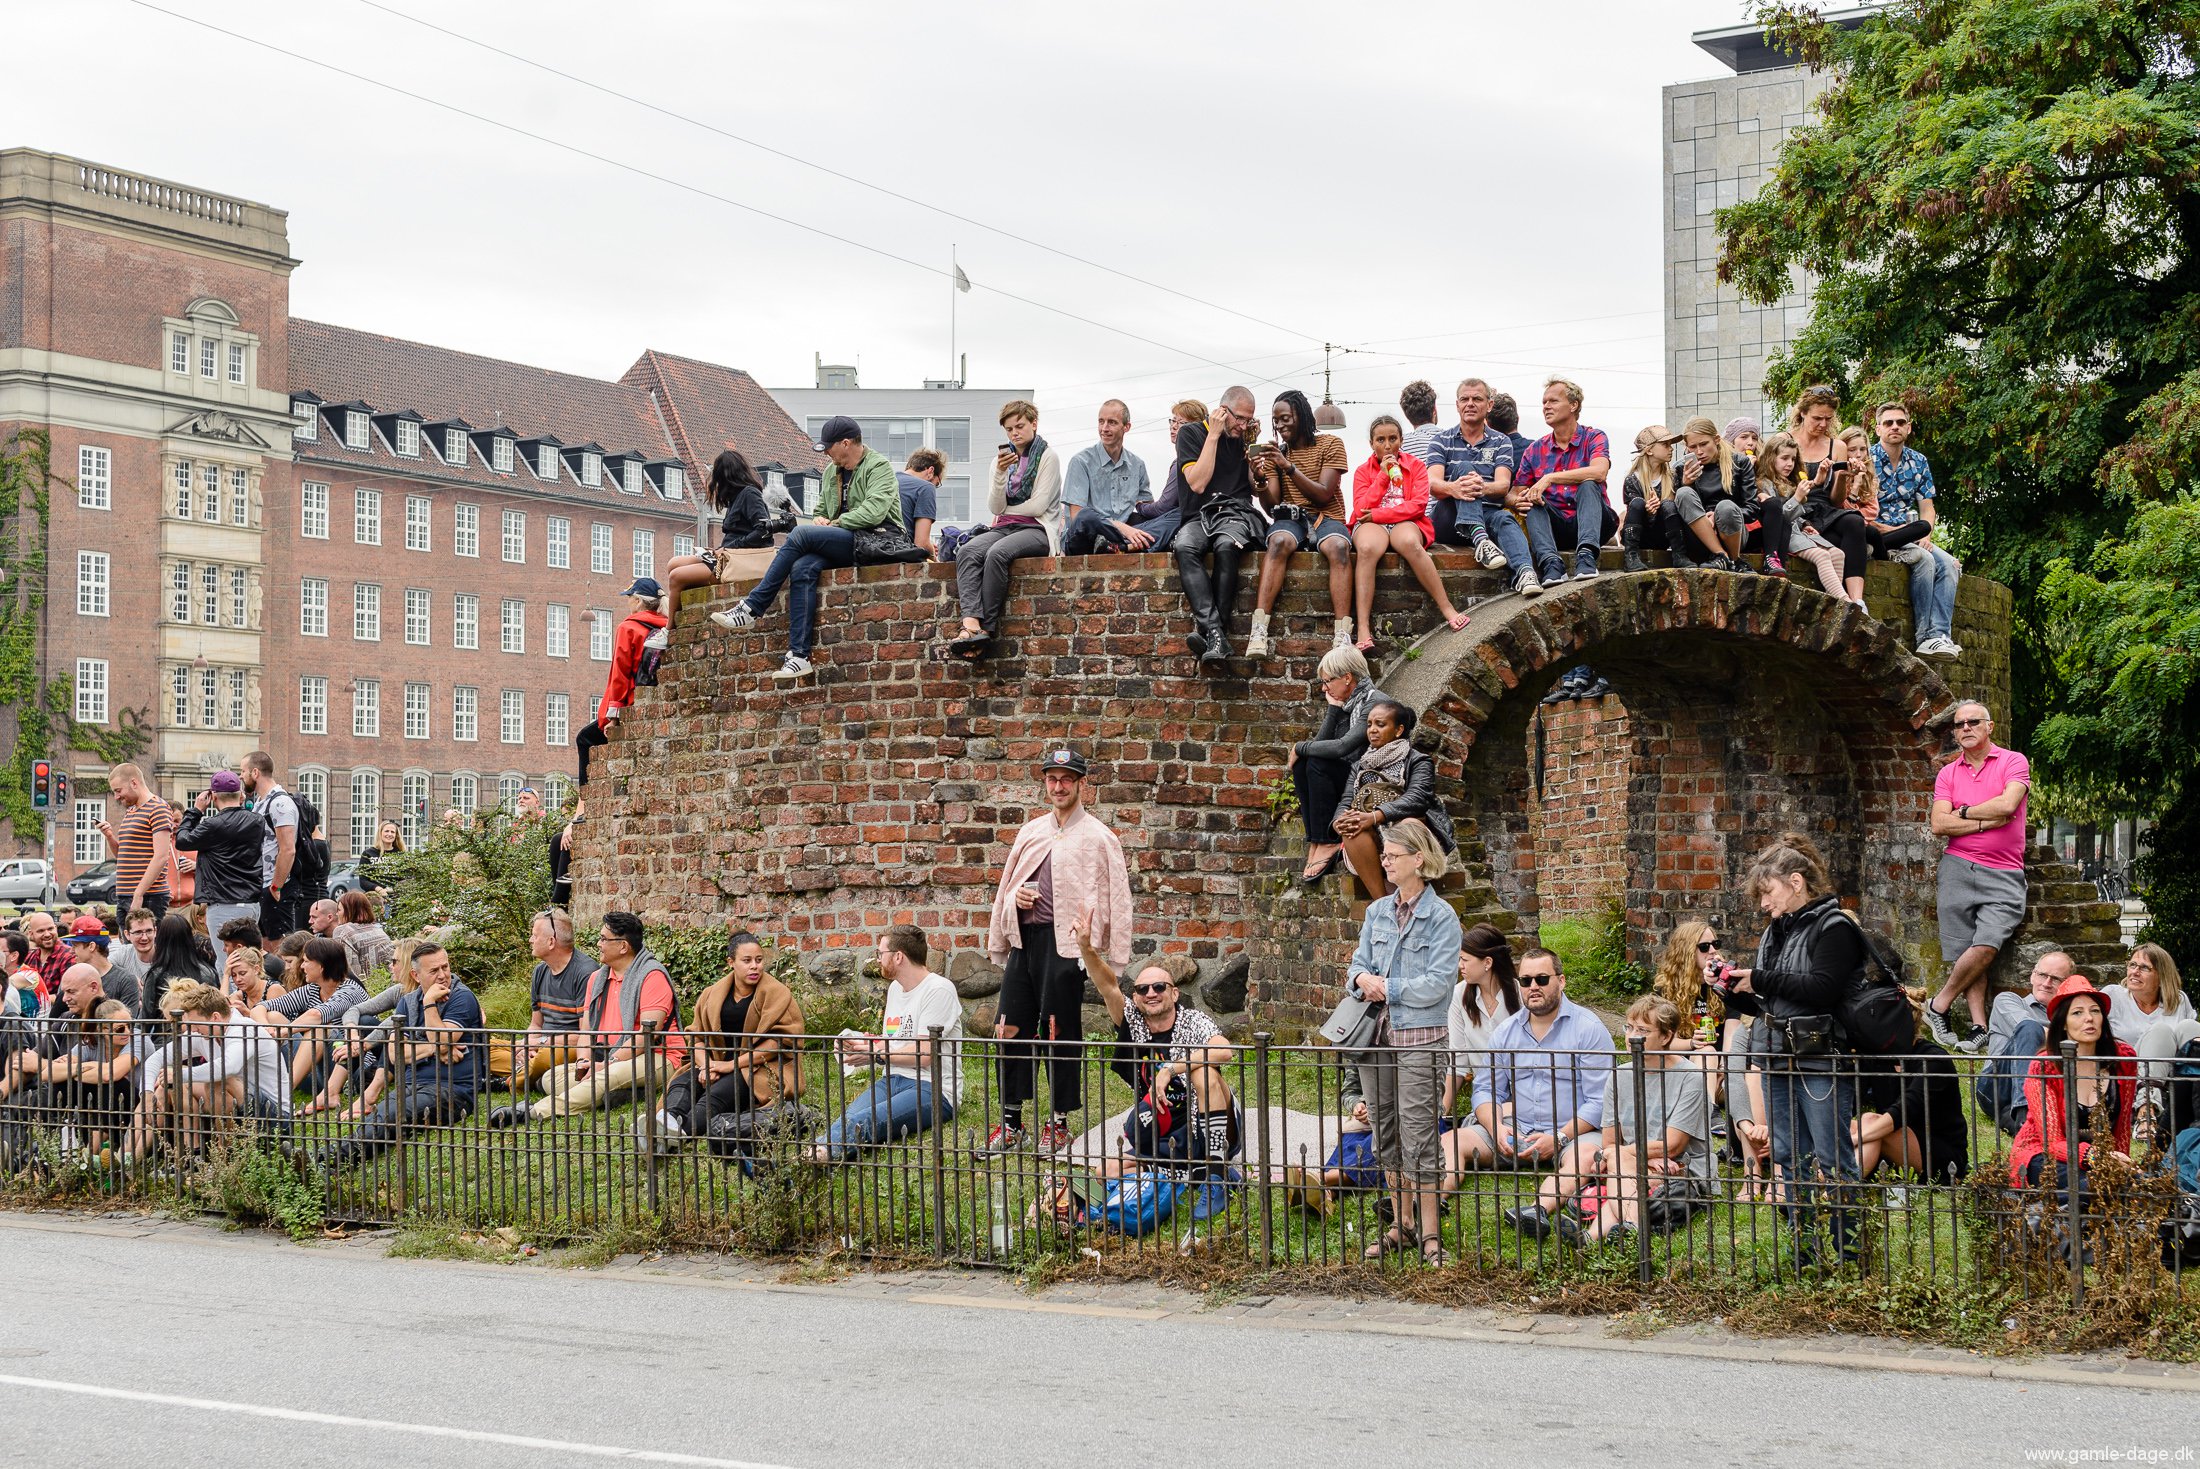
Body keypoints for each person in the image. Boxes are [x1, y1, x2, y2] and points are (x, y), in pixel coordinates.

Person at [975, 746, 1132, 1158]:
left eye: (1066, 779)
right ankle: (1011, 1124)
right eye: (1051, 778)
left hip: (1067, 949)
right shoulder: (1031, 832)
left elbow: (1119, 897)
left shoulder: (1100, 837)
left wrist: (1110, 955)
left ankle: (1059, 1124)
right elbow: (1006, 886)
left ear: (1082, 784)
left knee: (1059, 1033)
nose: (1058, 786)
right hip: (1025, 945)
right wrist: (1015, 901)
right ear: (1045, 783)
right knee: (1007, 1028)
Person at [1721, 835, 1866, 1266]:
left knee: (1832, 1156)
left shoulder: (1836, 927)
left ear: (1796, 882)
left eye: (1768, 892)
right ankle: (1803, 1253)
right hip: (1778, 1056)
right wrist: (1733, 988)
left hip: (1819, 1058)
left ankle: (1849, 1254)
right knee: (1787, 1157)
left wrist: (1761, 979)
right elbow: (1771, 1002)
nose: (1764, 904)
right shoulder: (1776, 932)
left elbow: (1822, 989)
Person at [1343, 817, 1463, 1266]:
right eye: (1385, 855)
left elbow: (1438, 984)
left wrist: (1385, 986)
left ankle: (1430, 1234)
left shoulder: (1442, 917)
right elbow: (1357, 965)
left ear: (1419, 859)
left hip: (1420, 1039)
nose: (1385, 862)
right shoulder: (1377, 913)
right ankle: (1401, 1224)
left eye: (1393, 855)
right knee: (1386, 1133)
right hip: (1376, 1038)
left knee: (1420, 1136)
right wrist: (1361, 978)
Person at [708, 415, 905, 681]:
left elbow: (874, 511)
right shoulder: (830, 472)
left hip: (877, 540)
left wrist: (833, 524)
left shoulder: (878, 467)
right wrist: (821, 520)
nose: (826, 455)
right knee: (802, 568)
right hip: (846, 539)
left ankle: (752, 608)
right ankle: (799, 657)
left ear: (846, 443)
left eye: (828, 448)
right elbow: (821, 510)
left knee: (800, 534)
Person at [1076, 917, 1238, 1177]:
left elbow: (1224, 1050)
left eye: (1159, 986)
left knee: (1203, 1071)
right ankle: (1186, 1172)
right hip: (1162, 1127)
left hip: (1204, 1119)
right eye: (1142, 989)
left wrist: (1170, 1071)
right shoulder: (1134, 1023)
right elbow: (1108, 986)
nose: (1151, 993)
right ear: (1136, 998)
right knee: (1105, 1171)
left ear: (1174, 993)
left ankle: (1216, 1169)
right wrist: (1086, 947)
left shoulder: (1192, 1020)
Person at [495, 911, 686, 1126]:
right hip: (609, 1055)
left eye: (604, 939)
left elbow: (644, 1037)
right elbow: (586, 1031)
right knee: (552, 1078)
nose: (598, 944)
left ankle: (532, 1111)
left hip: (659, 1056)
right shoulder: (597, 979)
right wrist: (584, 1062)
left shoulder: (652, 977)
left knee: (606, 1076)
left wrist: (606, 1064)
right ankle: (625, 1094)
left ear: (623, 946)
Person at [1556, 995, 1718, 1246]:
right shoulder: (1619, 1076)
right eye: (1628, 1027)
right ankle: (1613, 1231)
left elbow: (1673, 1146)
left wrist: (1624, 1155)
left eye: (1642, 1030)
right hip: (1637, 1163)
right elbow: (1609, 1142)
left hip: (1681, 1167)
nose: (1631, 1036)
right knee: (1625, 1173)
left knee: (1621, 1173)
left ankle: (1604, 1232)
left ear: (1665, 1037)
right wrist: (1637, 1156)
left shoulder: (1691, 1077)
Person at [1476, 949, 1612, 1235]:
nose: (1533, 986)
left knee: (1587, 1157)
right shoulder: (1506, 1032)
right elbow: (1486, 1089)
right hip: (1518, 1131)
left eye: (1541, 978)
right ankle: (1425, 1204)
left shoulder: (1589, 1029)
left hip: (1574, 1133)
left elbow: (1602, 1101)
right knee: (1455, 1140)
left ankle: (1536, 1210)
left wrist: (1560, 1136)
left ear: (1561, 981)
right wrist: (1496, 1127)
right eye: (1525, 981)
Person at [317, 942, 484, 1170]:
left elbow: (443, 1039)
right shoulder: (407, 1002)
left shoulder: (461, 998)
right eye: (434, 971)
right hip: (412, 1084)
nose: (443, 975)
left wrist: (429, 1004)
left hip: (453, 1092)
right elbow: (395, 1054)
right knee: (382, 1115)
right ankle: (326, 1160)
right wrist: (434, 1048)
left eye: (445, 967)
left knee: (392, 1115)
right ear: (415, 975)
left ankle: (328, 1162)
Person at [1926, 701, 2030, 1052]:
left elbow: (2007, 805)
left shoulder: (2013, 761)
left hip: (2003, 870)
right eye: (1959, 724)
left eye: (1973, 722)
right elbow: (1940, 824)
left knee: (1985, 944)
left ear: (1990, 726)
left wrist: (1965, 812)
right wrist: (1984, 822)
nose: (1965, 728)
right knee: (1965, 948)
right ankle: (1979, 1026)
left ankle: (1938, 1005)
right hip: (1957, 867)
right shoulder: (1948, 774)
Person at [2007, 975, 2138, 1251]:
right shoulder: (2045, 1066)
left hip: (2099, 1160)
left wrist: (2120, 1161)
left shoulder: (2123, 1060)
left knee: (2132, 1181)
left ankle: (2081, 1214)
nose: (2088, 1019)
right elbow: (2050, 1141)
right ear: (2063, 1024)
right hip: (2044, 1154)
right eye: (2077, 1013)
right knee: (2089, 1182)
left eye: (2094, 1011)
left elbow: (2123, 1124)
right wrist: (2095, 1157)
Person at [813, 925, 963, 1160]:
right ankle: (810, 1158)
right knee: (848, 1118)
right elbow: (896, 1041)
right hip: (893, 1079)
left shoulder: (938, 989)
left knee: (866, 1120)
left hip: (932, 1088)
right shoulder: (895, 989)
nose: (878, 959)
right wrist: (863, 1044)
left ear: (898, 956)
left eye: (880, 953)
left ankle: (804, 1163)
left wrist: (877, 1055)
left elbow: (924, 1054)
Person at [945, 400, 1065, 658]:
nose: (1014, 433)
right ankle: (970, 623)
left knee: (997, 554)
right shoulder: (999, 462)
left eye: (1019, 426)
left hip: (1038, 529)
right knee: (967, 551)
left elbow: (1038, 506)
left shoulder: (1048, 457)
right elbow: (995, 505)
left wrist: (1005, 511)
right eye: (1009, 429)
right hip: (1004, 528)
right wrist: (1000, 474)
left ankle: (985, 630)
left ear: (1034, 424)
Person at [663, 929, 805, 1145]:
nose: (754, 966)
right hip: (715, 1063)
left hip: (758, 1068)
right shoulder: (711, 994)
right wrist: (706, 1066)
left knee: (716, 1096)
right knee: (683, 1083)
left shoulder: (778, 994)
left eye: (758, 960)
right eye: (746, 960)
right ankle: (666, 1121)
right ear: (731, 962)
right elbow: (696, 1036)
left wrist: (729, 1066)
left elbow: (779, 1042)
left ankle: (678, 1134)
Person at [1346, 417, 1473, 652]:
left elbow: (1417, 505)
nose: (1387, 445)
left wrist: (1379, 515)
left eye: (1392, 439)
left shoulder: (1415, 466)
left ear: (1401, 440)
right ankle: (1363, 627)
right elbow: (1361, 508)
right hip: (1372, 523)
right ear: (1371, 444)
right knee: (1366, 549)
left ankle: (1447, 608)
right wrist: (1383, 476)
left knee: (1409, 543)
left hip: (1404, 521)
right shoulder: (1363, 471)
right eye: (1380, 440)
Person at [1247, 389, 1353, 657]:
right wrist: (1259, 479)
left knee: (1339, 547)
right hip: (1290, 517)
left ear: (1302, 416)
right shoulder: (1276, 454)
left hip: (1326, 516)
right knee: (1278, 541)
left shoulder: (1331, 444)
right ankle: (1258, 630)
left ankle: (1342, 635)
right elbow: (1271, 506)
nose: (1280, 426)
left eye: (1285, 418)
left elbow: (1323, 493)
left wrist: (1288, 467)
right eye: (1276, 420)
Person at [1172, 386, 1266, 664]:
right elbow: (1197, 482)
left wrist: (1257, 466)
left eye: (1249, 420)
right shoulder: (1191, 433)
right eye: (1239, 418)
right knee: (1184, 546)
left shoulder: (1246, 438)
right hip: (1198, 514)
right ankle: (1216, 633)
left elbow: (1258, 490)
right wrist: (1213, 435)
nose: (1243, 425)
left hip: (1236, 512)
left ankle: (1213, 635)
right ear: (1222, 411)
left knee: (1226, 545)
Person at [1332, 697, 1454, 900]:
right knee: (1352, 830)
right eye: (1369, 724)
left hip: (1409, 833)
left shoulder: (1418, 760)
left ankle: (1412, 896)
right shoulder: (1360, 765)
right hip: (1372, 836)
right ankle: (1382, 903)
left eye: (1380, 724)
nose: (1372, 730)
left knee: (1409, 824)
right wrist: (1339, 822)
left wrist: (1375, 816)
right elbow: (1346, 800)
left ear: (1398, 730)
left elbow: (1417, 799)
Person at [1868, 403, 1964, 656]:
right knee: (1927, 562)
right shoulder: (1866, 458)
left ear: (1908, 428)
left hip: (1912, 533)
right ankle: (1924, 637)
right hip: (1880, 534)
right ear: (1878, 428)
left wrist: (1927, 536)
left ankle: (1940, 635)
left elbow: (1927, 507)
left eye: (1900, 422)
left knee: (1951, 564)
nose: (1895, 427)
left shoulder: (1918, 461)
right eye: (1888, 423)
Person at [1423, 378, 1535, 586]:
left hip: (1488, 515)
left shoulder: (1502, 442)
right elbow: (1432, 484)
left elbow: (1503, 486)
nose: (1470, 403)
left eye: (1477, 399)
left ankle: (1525, 574)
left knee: (1505, 518)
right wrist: (1454, 487)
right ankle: (1481, 539)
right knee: (1464, 468)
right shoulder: (1441, 440)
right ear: (1457, 405)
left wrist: (1479, 486)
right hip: (1449, 518)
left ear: (1489, 405)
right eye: (1464, 399)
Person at [1439, 924, 1523, 1193]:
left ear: (1487, 962)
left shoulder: (1521, 995)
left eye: (1465, 959)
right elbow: (1458, 1061)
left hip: (1525, 1092)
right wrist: (1442, 1111)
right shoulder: (1459, 996)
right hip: (1488, 1094)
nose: (1460, 965)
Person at [1289, 645, 1375, 885]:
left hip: (1365, 781)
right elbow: (1321, 746)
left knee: (1314, 759)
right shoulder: (1346, 703)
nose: (1324, 688)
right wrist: (1333, 710)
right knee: (1304, 764)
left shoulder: (1373, 702)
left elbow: (1342, 747)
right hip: (1346, 777)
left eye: (1327, 681)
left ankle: (1328, 842)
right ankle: (1317, 840)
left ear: (1347, 677)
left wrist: (1299, 747)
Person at [1515, 378, 1613, 585]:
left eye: (1553, 401)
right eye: (1544, 402)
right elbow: (1515, 492)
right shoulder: (1534, 449)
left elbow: (1599, 472)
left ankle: (1586, 556)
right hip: (1557, 527)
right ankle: (1550, 562)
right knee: (1531, 498)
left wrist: (1549, 478)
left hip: (1595, 523)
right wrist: (1519, 499)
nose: (1546, 407)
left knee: (1588, 484)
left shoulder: (1594, 437)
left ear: (1573, 405)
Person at [576, 579, 669, 789]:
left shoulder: (629, 627)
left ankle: (583, 805)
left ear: (637, 601)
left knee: (584, 739)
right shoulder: (666, 626)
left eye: (629, 598)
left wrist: (612, 716)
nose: (628, 602)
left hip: (628, 703)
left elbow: (621, 672)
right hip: (650, 702)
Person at [1853, 1019, 1970, 1185]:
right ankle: (1829, 1181)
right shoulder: (1878, 1057)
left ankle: (1841, 1187)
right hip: (1895, 1139)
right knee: (1851, 1127)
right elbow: (1852, 1098)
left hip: (1941, 1153)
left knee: (1869, 1122)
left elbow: (1904, 1110)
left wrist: (1857, 1139)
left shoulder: (1933, 1059)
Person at [664, 450, 777, 616]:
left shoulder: (749, 494)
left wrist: (731, 548)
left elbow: (763, 530)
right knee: (673, 563)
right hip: (727, 555)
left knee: (676, 576)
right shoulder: (735, 498)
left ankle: (669, 628)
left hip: (737, 560)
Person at [1976, 949, 2075, 1135]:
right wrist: (2068, 1039)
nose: (2046, 983)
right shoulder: (2008, 1001)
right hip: (1997, 1086)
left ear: (2066, 985)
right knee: (2029, 1029)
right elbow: (2031, 1032)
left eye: (2055, 979)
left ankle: (2022, 1126)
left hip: (2049, 1091)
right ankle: (2026, 1112)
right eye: (2042, 975)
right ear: (2032, 976)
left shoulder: (2072, 1017)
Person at [256, 935, 369, 1093]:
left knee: (318, 1029)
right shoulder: (313, 989)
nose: (301, 966)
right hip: (318, 1069)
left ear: (322, 966)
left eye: (306, 961)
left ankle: (283, 1092)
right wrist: (268, 1028)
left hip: (349, 1068)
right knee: (273, 1016)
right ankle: (278, 1083)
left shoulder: (350, 989)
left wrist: (282, 1032)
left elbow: (318, 1015)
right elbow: (260, 1007)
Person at [500, 908, 594, 1098]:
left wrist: (539, 1042)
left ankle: (510, 1080)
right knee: (488, 1046)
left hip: (567, 1049)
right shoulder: (540, 972)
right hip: (541, 1046)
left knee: (545, 1057)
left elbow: (585, 1035)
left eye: (534, 935)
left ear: (551, 942)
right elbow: (536, 1024)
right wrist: (526, 1046)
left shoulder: (586, 973)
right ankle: (522, 1069)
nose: (530, 940)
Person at [174, 772, 265, 966]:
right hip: (250, 902)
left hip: (223, 903)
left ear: (214, 797)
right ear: (240, 795)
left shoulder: (213, 826)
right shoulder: (257, 821)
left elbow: (182, 840)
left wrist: (196, 810)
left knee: (228, 965)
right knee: (249, 963)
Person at [1670, 416, 1778, 572]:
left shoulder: (1739, 462)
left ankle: (1732, 557)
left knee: (1725, 507)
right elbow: (1675, 512)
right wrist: (1686, 483)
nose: (1699, 451)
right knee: (1683, 492)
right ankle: (1724, 557)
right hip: (1698, 537)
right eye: (1692, 447)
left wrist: (1716, 516)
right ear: (1686, 447)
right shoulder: (1680, 468)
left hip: (1733, 533)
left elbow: (1752, 508)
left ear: (1716, 439)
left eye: (1704, 444)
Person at [1756, 434, 1850, 599]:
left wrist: (1805, 523)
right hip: (1786, 536)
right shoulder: (1764, 483)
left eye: (1793, 459)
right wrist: (1797, 498)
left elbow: (1795, 515)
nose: (1790, 464)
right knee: (1822, 556)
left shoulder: (1788, 482)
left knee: (1838, 554)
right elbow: (1778, 518)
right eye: (1784, 458)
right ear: (1771, 458)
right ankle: (1845, 601)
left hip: (1799, 531)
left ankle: (1832, 603)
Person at [1061, 401, 1155, 556]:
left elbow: (1146, 508)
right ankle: (1125, 545)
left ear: (1127, 427)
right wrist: (1118, 526)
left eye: (1112, 422)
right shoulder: (1081, 461)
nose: (1104, 428)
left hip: (1118, 537)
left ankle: (1122, 547)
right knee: (1086, 515)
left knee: (1170, 517)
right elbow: (1077, 516)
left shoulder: (1137, 465)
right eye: (1101, 421)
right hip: (1084, 538)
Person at [238, 751, 309, 940]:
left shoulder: (280, 803)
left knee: (280, 945)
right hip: (263, 884)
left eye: (242, 771)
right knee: (265, 944)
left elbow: (288, 849)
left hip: (276, 886)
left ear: (255, 773)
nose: (240, 776)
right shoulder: (261, 802)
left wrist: (276, 887)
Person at [98, 763, 174, 920]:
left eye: (118, 791)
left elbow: (161, 856)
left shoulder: (158, 808)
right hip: (126, 894)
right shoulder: (131, 811)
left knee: (146, 943)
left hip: (149, 896)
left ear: (134, 783)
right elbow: (122, 855)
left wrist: (139, 894)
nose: (116, 797)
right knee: (126, 944)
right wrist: (110, 836)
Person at [1619, 425, 1682, 575]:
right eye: (1665, 444)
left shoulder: (1673, 477)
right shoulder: (1632, 479)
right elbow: (1632, 511)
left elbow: (1673, 510)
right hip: (1640, 536)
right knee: (1637, 503)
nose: (1671, 448)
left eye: (1671, 445)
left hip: (1662, 536)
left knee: (1668, 504)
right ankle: (1631, 556)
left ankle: (1680, 555)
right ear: (1649, 450)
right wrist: (1647, 511)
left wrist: (1660, 507)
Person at [138, 911, 216, 1022]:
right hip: (200, 1034)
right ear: (189, 938)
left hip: (165, 1035)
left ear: (160, 940)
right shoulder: (208, 972)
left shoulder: (157, 974)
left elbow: (145, 1019)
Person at [64, 917, 140, 1011]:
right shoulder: (71, 975)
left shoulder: (125, 980)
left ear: (91, 946)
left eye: (75, 946)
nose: (71, 951)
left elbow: (126, 1022)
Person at [331, 890, 394, 985]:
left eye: (339, 910)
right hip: (388, 986)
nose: (337, 914)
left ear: (350, 911)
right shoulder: (377, 930)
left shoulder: (342, 931)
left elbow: (350, 973)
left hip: (365, 992)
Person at [19, 912, 71, 1001]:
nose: (47, 934)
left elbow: (68, 995)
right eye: (41, 931)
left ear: (56, 929)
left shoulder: (68, 956)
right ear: (31, 934)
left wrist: (34, 1000)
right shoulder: (28, 957)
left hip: (55, 1014)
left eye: (50, 929)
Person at [108, 907, 159, 996]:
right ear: (127, 934)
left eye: (149, 931)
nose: (144, 937)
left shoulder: (167, 955)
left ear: (155, 931)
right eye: (138, 932)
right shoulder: (123, 954)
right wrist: (128, 978)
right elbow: (100, 968)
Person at [356, 820, 404, 894]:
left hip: (396, 899)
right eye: (386, 831)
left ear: (396, 835)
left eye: (392, 832)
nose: (389, 834)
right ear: (380, 833)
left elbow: (405, 879)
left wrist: (393, 889)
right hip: (374, 898)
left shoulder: (401, 855)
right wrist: (378, 889)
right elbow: (363, 881)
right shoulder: (368, 853)